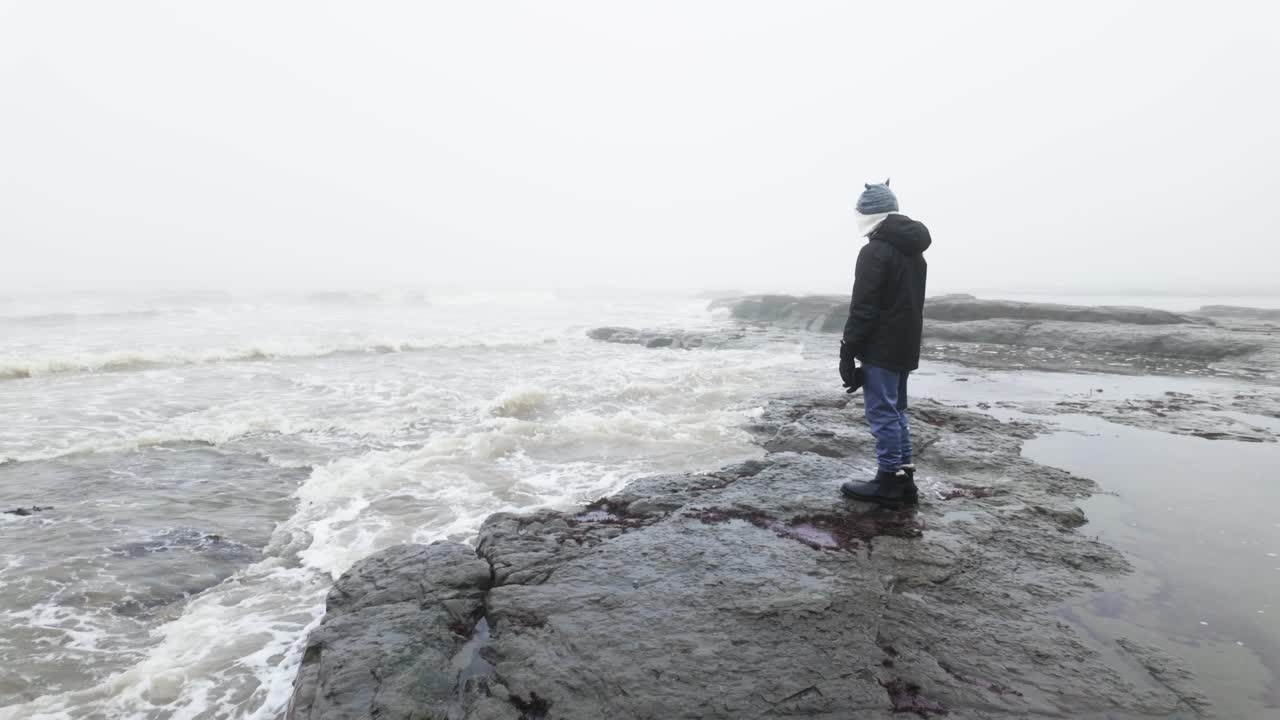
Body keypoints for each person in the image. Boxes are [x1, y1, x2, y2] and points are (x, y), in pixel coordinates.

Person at [838, 180, 932, 506]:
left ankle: (888, 480)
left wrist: (848, 352)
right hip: (905, 344)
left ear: (868, 214)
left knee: (882, 412)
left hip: (882, 346)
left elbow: (863, 307)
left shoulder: (875, 251)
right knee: (896, 411)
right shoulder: (914, 250)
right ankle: (904, 479)